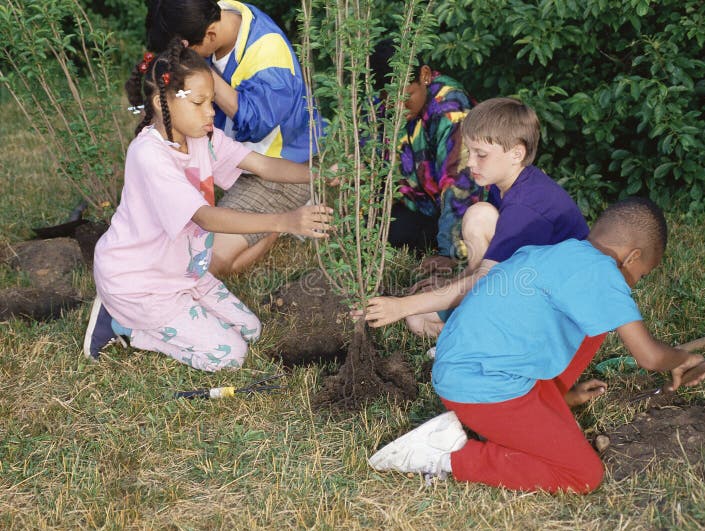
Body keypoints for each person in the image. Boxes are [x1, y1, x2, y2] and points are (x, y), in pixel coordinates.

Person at [368, 197, 705, 493]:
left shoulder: (554, 253)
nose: (635, 283)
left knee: (597, 323)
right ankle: (447, 455)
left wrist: (559, 397)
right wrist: (682, 358)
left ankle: (550, 400)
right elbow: (650, 357)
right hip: (483, 386)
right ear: (632, 256)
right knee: (583, 474)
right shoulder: (603, 273)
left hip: (462, 368)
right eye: (642, 274)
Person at [82, 40, 332, 371]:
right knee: (230, 355)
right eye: (199, 102)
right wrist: (284, 221)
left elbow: (263, 165)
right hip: (140, 285)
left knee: (251, 331)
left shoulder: (205, 137)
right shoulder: (149, 155)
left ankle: (159, 315)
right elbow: (206, 217)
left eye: (212, 101)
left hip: (185, 274)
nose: (211, 112)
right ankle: (126, 327)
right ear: (161, 102)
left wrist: (322, 177)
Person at [363, 97, 588, 337]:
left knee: (416, 308)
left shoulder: (526, 206)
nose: (470, 162)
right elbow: (492, 266)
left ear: (516, 153)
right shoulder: (504, 185)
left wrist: (401, 305)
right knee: (418, 319)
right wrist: (448, 288)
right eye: (469, 151)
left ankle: (490, 335)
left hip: (557, 310)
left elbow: (487, 278)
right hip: (522, 286)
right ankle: (480, 329)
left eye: (480, 154)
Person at [146, 0, 324, 275]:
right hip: (232, 156)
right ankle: (270, 220)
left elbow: (256, 126)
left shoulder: (268, 55)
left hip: (277, 168)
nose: (182, 61)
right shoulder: (210, 11)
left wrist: (205, 75)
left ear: (210, 36)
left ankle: (279, 221)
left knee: (207, 263)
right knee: (171, 246)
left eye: (186, 53)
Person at [369, 39, 487, 273]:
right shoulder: (383, 101)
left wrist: (450, 253)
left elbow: (460, 184)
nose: (398, 108)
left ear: (424, 75)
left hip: (462, 210)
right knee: (377, 235)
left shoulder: (450, 109)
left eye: (406, 97)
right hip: (419, 205)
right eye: (389, 101)